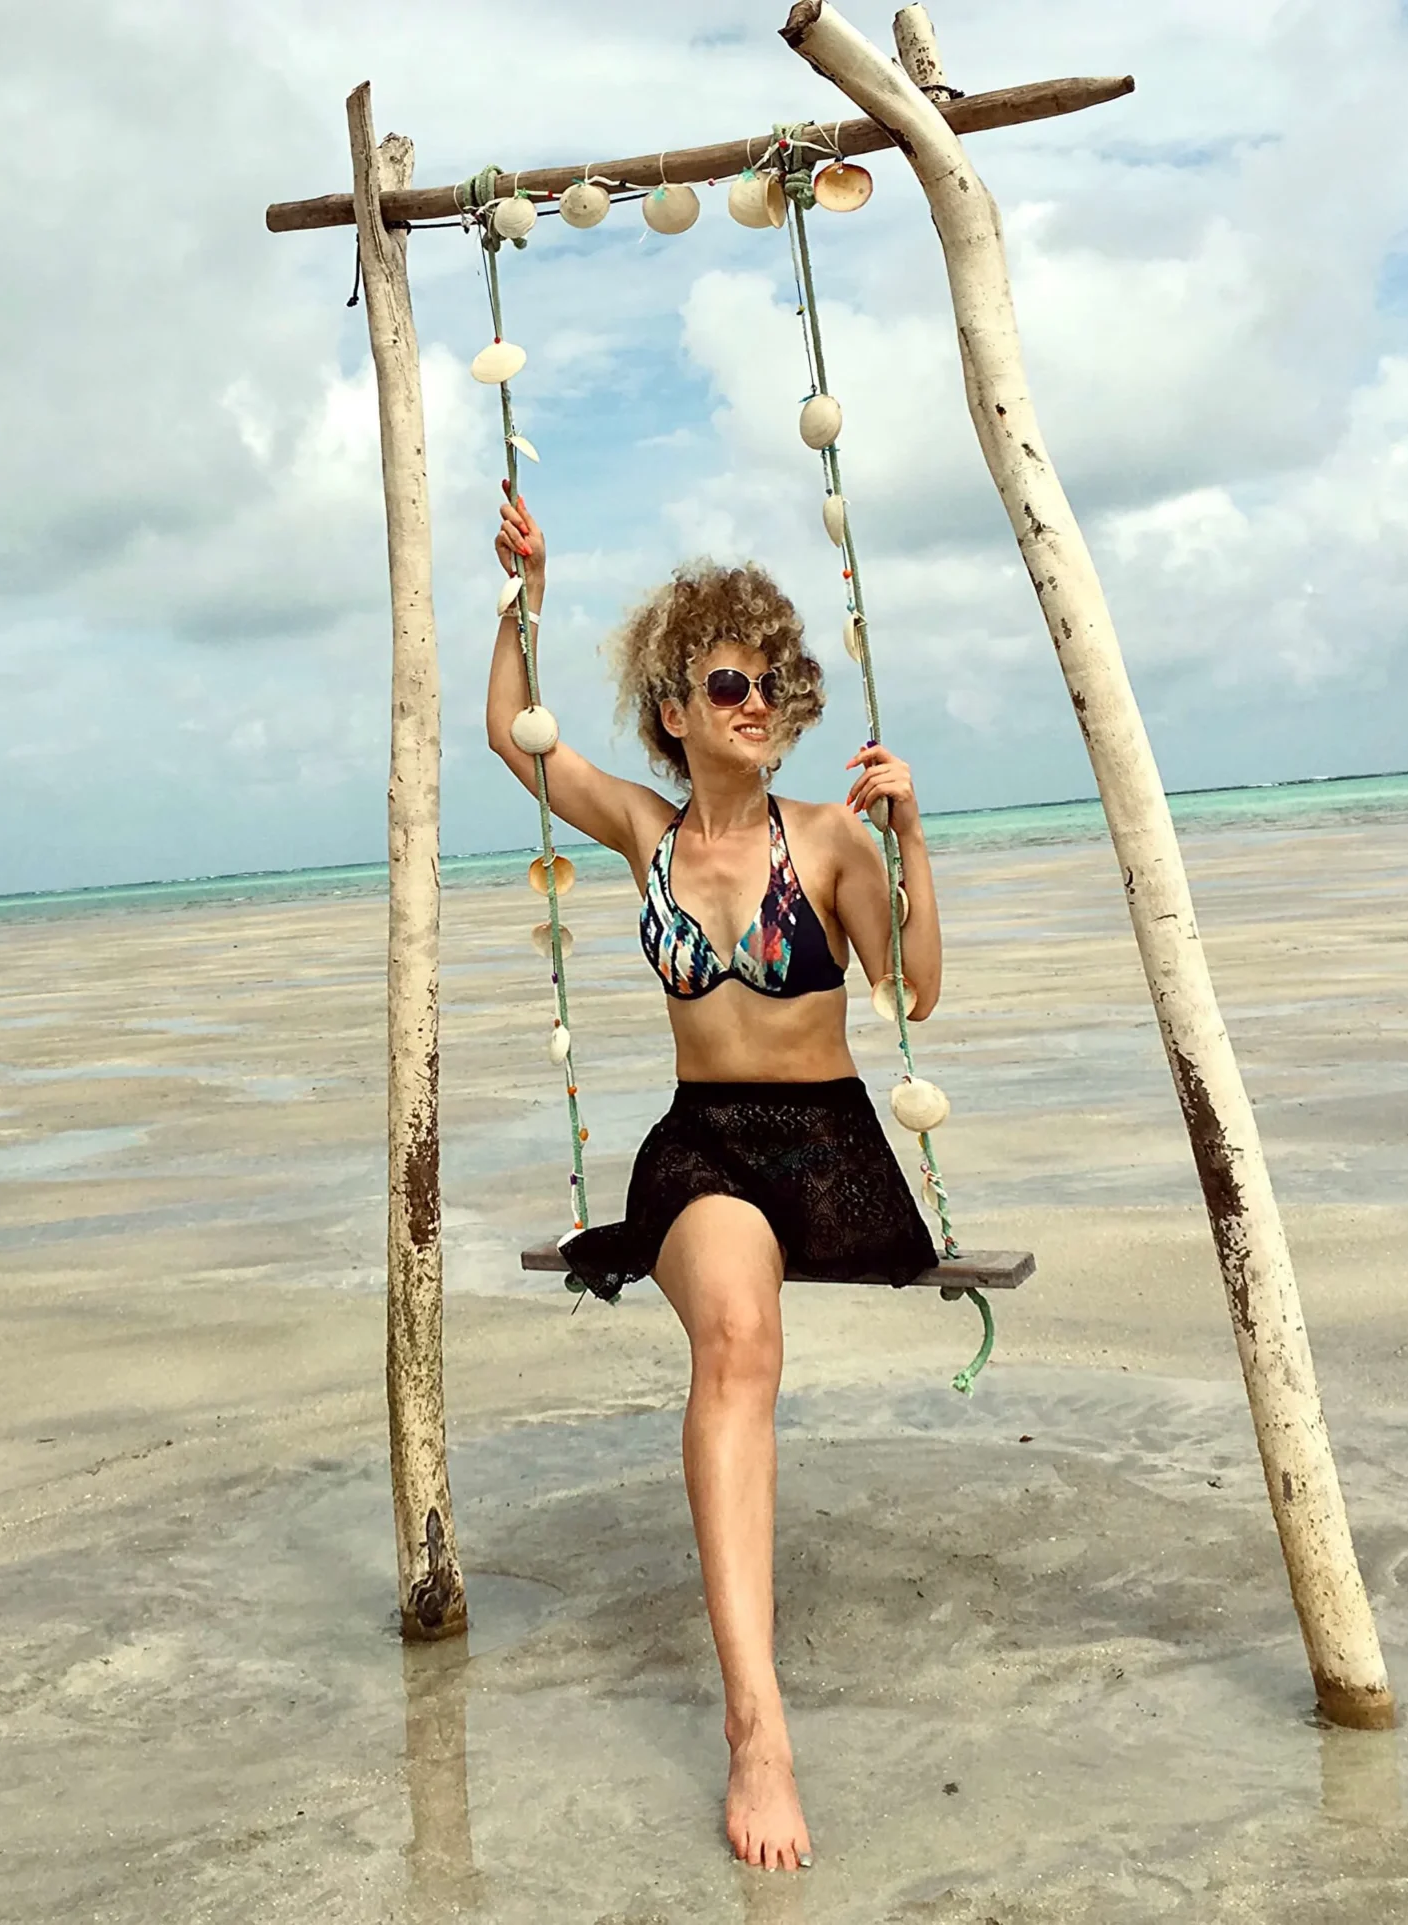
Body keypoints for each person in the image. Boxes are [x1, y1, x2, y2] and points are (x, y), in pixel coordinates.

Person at [485, 490, 945, 1872]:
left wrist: (915, 832)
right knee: (739, 1339)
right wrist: (525, 599)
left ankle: (758, 1710)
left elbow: (911, 984)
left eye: (771, 678)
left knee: (755, 1329)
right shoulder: (643, 831)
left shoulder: (833, 838)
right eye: (726, 681)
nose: (756, 699)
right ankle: (760, 1727)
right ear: (674, 708)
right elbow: (515, 739)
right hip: (701, 1146)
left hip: (831, 1142)